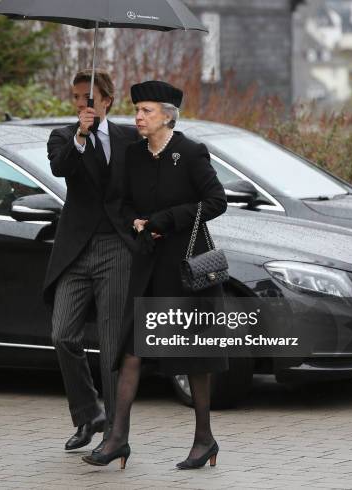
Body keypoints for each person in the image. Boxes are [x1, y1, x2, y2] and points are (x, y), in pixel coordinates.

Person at [82, 81, 228, 470]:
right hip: (148, 264)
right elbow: (120, 201)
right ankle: (117, 439)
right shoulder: (133, 155)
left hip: (184, 267)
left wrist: (165, 220)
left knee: (194, 357)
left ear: (167, 115)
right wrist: (135, 223)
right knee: (132, 351)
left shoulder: (191, 152)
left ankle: (204, 439)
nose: (138, 117)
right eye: (137, 111)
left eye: (146, 111)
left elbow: (216, 201)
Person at [43, 69, 140, 452]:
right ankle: (89, 414)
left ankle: (117, 435)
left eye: (89, 97)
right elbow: (60, 168)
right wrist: (81, 136)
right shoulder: (64, 138)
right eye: (77, 97)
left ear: (107, 100)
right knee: (62, 334)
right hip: (75, 250)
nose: (82, 103)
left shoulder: (130, 138)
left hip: (117, 247)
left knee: (113, 342)